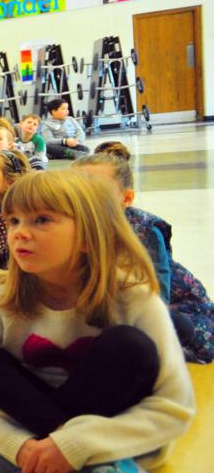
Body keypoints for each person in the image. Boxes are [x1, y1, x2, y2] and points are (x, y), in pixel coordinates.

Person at [0, 170, 194, 473]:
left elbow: (174, 406)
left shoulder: (134, 297)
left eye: (42, 220)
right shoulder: (4, 297)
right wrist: (17, 444)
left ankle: (108, 464)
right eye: (14, 220)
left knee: (127, 345)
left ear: (87, 236)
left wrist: (77, 443)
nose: (19, 232)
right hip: (30, 421)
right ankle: (53, 455)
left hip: (114, 425)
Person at [74, 150, 214, 364]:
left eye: (95, 190)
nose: (82, 197)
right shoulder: (70, 225)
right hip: (110, 303)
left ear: (126, 198)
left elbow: (158, 289)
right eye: (74, 189)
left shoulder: (143, 229)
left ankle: (170, 350)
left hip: (167, 305)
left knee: (173, 324)